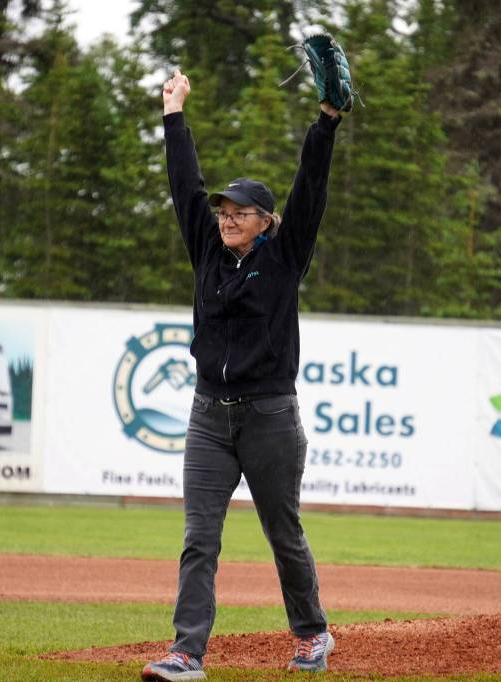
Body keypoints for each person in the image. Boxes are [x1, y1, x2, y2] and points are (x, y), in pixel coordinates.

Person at [141, 69, 341, 682]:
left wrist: (326, 121)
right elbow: (183, 183)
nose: (226, 217)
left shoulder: (284, 256)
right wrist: (173, 114)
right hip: (208, 415)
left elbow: (310, 186)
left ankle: (311, 634)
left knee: (283, 534)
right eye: (224, 210)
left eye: (240, 211)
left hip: (270, 417)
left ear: (265, 220)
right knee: (200, 537)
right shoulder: (207, 249)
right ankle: (187, 653)